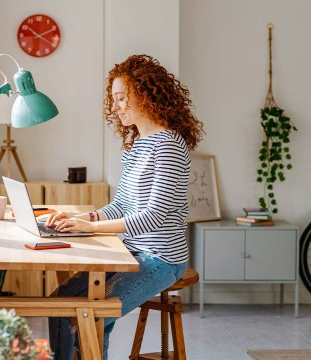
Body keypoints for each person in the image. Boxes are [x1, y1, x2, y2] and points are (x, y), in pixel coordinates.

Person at [46, 54, 204, 359]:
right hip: (132, 252)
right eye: (114, 99)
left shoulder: (169, 145)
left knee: (90, 314)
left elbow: (153, 217)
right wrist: (83, 217)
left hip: (161, 259)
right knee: (61, 300)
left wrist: (91, 228)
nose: (115, 107)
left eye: (121, 98)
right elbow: (123, 204)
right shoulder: (137, 144)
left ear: (145, 96)